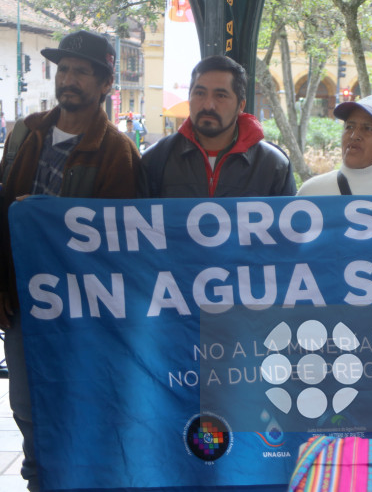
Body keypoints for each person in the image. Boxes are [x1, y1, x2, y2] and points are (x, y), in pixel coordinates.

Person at [0, 29, 141, 491]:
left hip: (83, 312)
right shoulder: (25, 134)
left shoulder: (118, 152)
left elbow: (118, 242)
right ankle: (38, 482)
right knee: (28, 409)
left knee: (83, 406)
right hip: (22, 303)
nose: (69, 79)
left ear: (105, 84)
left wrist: (47, 217)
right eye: (63, 69)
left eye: (82, 71)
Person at [139, 55, 295, 197]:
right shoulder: (155, 160)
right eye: (200, 93)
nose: (208, 105)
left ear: (241, 106)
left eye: (221, 95)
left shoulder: (274, 166)